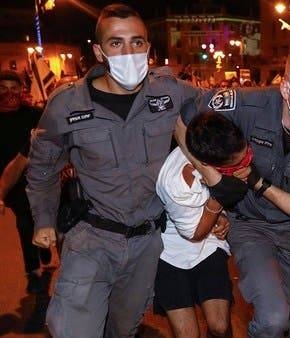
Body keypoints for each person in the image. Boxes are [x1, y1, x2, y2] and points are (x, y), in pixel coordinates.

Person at [26, 4, 199, 337]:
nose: (128, 51)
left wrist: (288, 97)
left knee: (122, 329)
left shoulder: (170, 92)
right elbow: (43, 167)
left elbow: (226, 105)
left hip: (147, 243)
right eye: (116, 43)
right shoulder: (67, 104)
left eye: (137, 42)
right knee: (72, 329)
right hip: (92, 238)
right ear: (99, 51)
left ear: (148, 47)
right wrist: (44, 220)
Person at [175, 43, 290, 338]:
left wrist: (261, 185)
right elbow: (183, 121)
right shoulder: (247, 105)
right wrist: (213, 179)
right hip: (250, 225)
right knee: (273, 318)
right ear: (285, 88)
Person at [155, 111, 254, 338]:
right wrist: (218, 200)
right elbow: (195, 233)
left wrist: (223, 217)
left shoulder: (214, 142)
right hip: (169, 252)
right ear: (210, 164)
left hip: (209, 247)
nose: (242, 167)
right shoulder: (176, 183)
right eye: (234, 165)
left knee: (220, 326)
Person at [0, 70, 52, 331]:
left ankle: (34, 272)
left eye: (13, 88)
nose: (9, 93)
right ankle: (38, 257)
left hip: (36, 181)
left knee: (26, 223)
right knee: (26, 221)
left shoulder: (33, 116)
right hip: (11, 185)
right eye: (3, 88)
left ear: (22, 90)